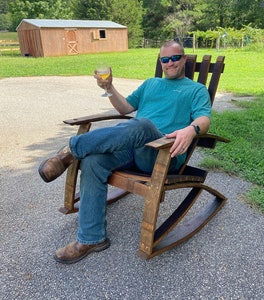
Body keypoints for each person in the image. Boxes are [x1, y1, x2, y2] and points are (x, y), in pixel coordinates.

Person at [38, 40, 211, 264]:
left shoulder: (196, 90)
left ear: (184, 59)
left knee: (143, 124)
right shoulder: (150, 84)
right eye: (165, 59)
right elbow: (125, 108)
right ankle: (91, 239)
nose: (170, 63)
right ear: (161, 61)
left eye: (175, 58)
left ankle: (70, 151)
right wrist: (109, 88)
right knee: (93, 161)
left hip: (162, 154)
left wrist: (191, 129)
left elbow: (204, 118)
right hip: (131, 150)